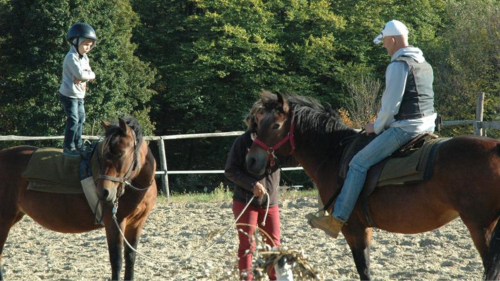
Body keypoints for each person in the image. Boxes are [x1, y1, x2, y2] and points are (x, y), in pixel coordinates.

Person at [308, 19, 437, 238]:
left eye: (385, 43)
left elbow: (390, 107)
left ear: (393, 40)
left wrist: (376, 127)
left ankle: (336, 219)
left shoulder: (398, 65)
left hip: (406, 128)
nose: (385, 48)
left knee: (358, 163)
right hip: (428, 124)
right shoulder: (423, 63)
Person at [225, 99, 295, 280]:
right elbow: (230, 170)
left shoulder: (276, 140)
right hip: (245, 201)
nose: (265, 117)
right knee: (247, 245)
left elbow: (290, 159)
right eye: (262, 113)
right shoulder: (242, 142)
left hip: (270, 202)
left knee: (273, 245)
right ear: (256, 116)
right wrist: (251, 184)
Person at [59, 22, 97, 156]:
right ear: (76, 42)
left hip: (80, 95)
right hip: (69, 95)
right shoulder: (71, 57)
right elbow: (81, 74)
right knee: (73, 120)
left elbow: (92, 74)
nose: (88, 47)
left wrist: (85, 77)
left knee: (81, 119)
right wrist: (84, 76)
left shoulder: (85, 58)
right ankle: (68, 147)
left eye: (90, 45)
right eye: (86, 44)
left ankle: (78, 145)